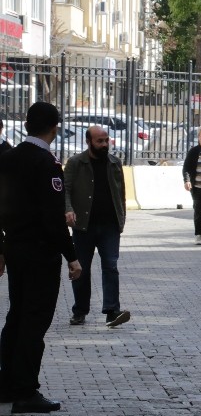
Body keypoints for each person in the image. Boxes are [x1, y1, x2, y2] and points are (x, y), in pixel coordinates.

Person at [0, 102, 83, 414]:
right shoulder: (46, 164)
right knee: (34, 322)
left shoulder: (8, 159)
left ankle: (7, 383)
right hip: (40, 252)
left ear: (26, 125)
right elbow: (53, 218)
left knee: (16, 317)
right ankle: (25, 391)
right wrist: (72, 257)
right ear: (55, 127)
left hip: (16, 248)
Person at [64, 126, 130, 328]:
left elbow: (121, 193)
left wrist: (121, 218)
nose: (104, 145)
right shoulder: (76, 163)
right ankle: (80, 311)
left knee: (111, 266)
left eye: (106, 140)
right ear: (88, 142)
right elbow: (65, 190)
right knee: (81, 269)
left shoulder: (115, 163)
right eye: (99, 141)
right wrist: (68, 210)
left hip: (109, 226)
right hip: (84, 226)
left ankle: (112, 311)